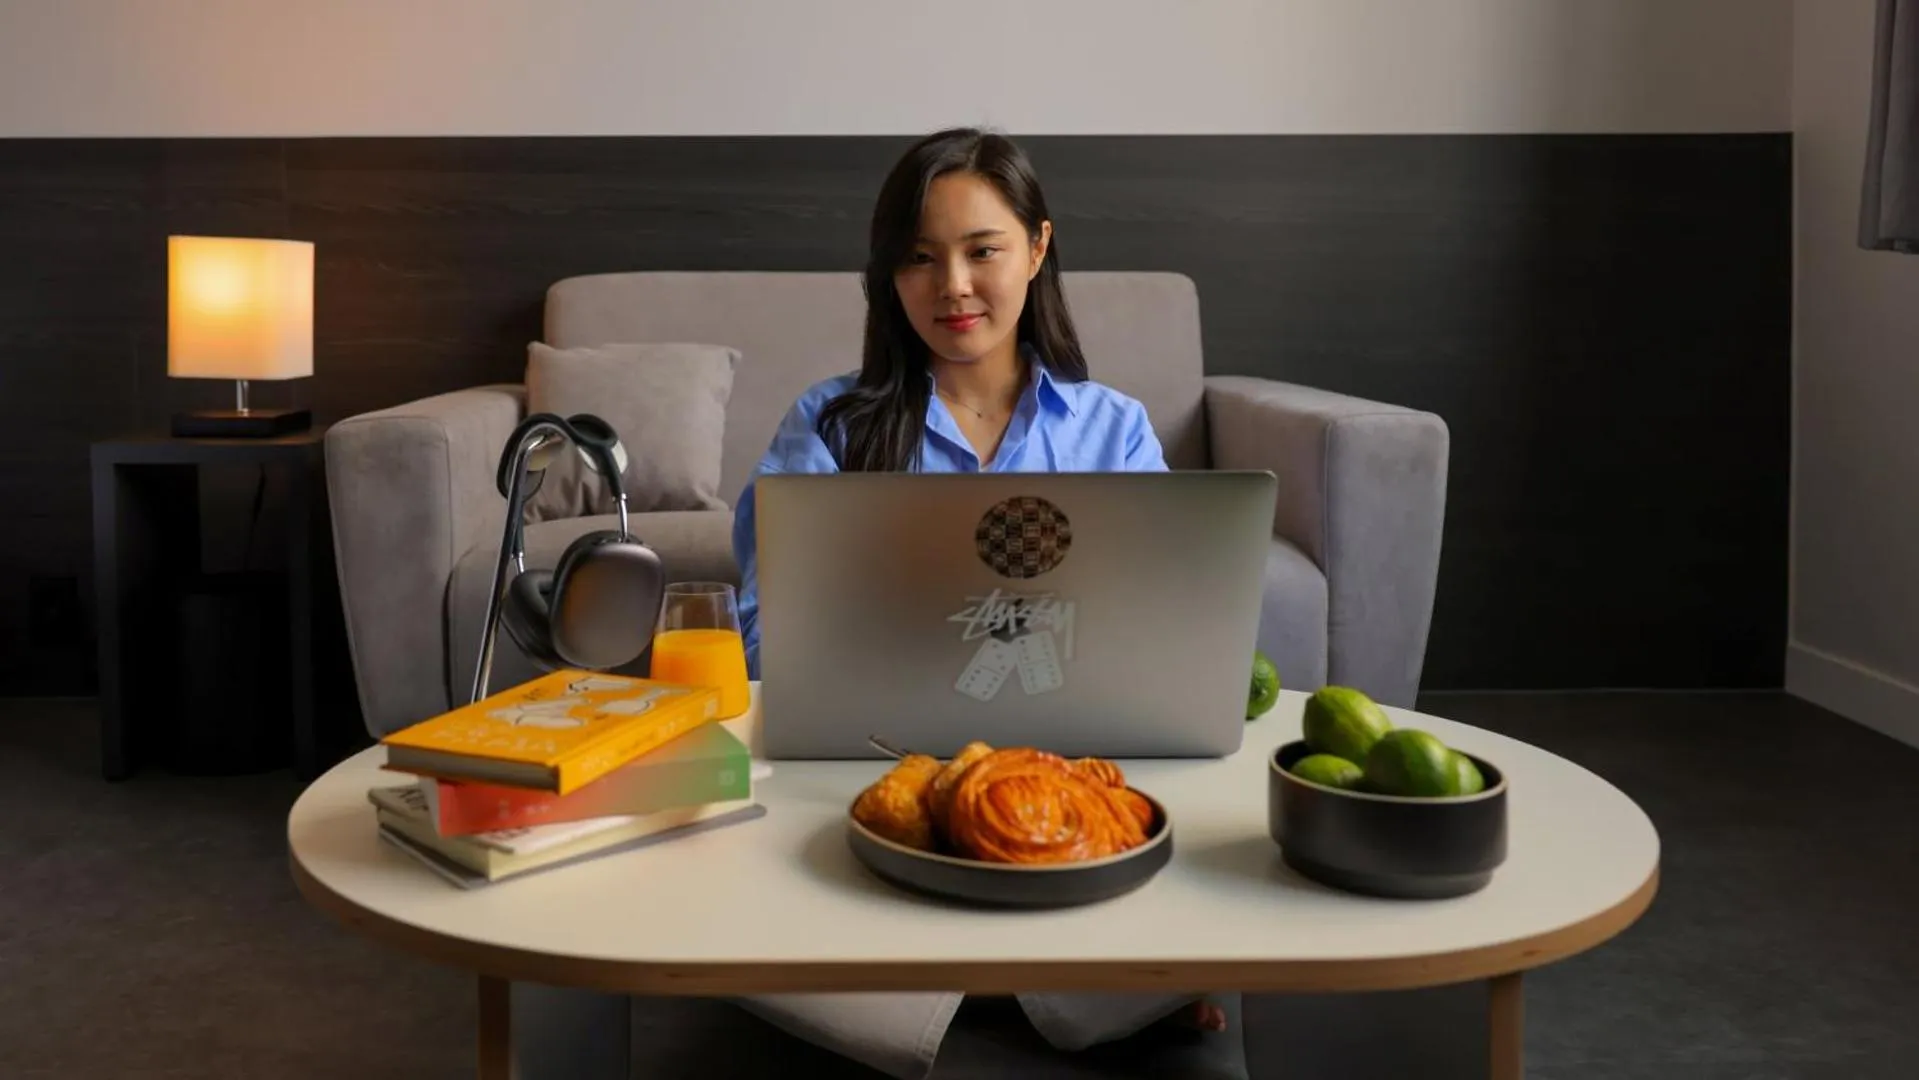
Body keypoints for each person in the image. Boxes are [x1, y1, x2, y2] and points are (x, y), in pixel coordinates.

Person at [725, 126, 1238, 1080]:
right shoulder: (829, 422)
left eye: (980, 250)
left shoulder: (1113, 429)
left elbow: (1166, 636)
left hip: (1074, 770)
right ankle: (1057, 978)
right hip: (874, 767)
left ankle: (1016, 974)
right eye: (917, 259)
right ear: (887, 277)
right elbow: (764, 635)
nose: (951, 286)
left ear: (1037, 248)